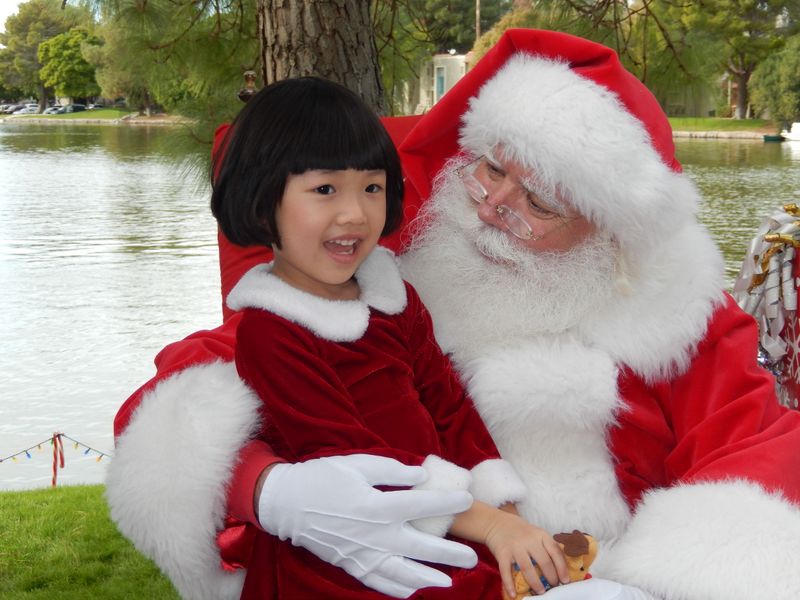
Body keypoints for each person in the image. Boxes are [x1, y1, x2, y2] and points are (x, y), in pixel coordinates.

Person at [107, 29, 800, 600]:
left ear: (610, 232)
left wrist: (648, 585)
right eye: (492, 168)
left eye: (541, 203)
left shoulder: (674, 317)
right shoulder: (391, 260)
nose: (495, 205)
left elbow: (756, 451)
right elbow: (187, 386)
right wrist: (269, 488)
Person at [207, 74, 567, 599]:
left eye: (371, 187)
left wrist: (505, 514)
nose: (355, 213)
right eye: (325, 189)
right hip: (352, 555)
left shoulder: (394, 299)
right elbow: (360, 470)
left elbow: (448, 404)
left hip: (442, 522)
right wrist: (489, 526)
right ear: (263, 203)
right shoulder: (271, 332)